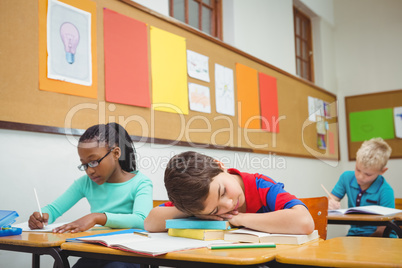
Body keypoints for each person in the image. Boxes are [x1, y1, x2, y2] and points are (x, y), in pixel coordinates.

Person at [28, 123, 153, 268]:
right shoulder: (86, 183)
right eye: (85, 165)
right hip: (95, 252)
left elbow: (142, 220)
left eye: (94, 162)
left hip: (129, 254)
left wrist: (97, 217)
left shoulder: (140, 183)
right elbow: (54, 209)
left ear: (116, 153)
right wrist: (41, 216)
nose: (89, 171)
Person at [144, 151, 314, 235]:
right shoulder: (196, 199)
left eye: (223, 191)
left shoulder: (260, 186)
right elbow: (150, 223)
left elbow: (304, 222)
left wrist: (238, 218)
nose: (228, 204)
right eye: (215, 211)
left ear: (219, 165)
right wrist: (194, 211)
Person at [328, 137, 394, 237]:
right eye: (358, 170)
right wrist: (329, 204)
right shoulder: (346, 178)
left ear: (382, 171)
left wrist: (363, 246)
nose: (360, 177)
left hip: (382, 238)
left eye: (368, 174)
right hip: (355, 236)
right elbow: (331, 199)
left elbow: (382, 230)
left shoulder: (386, 191)